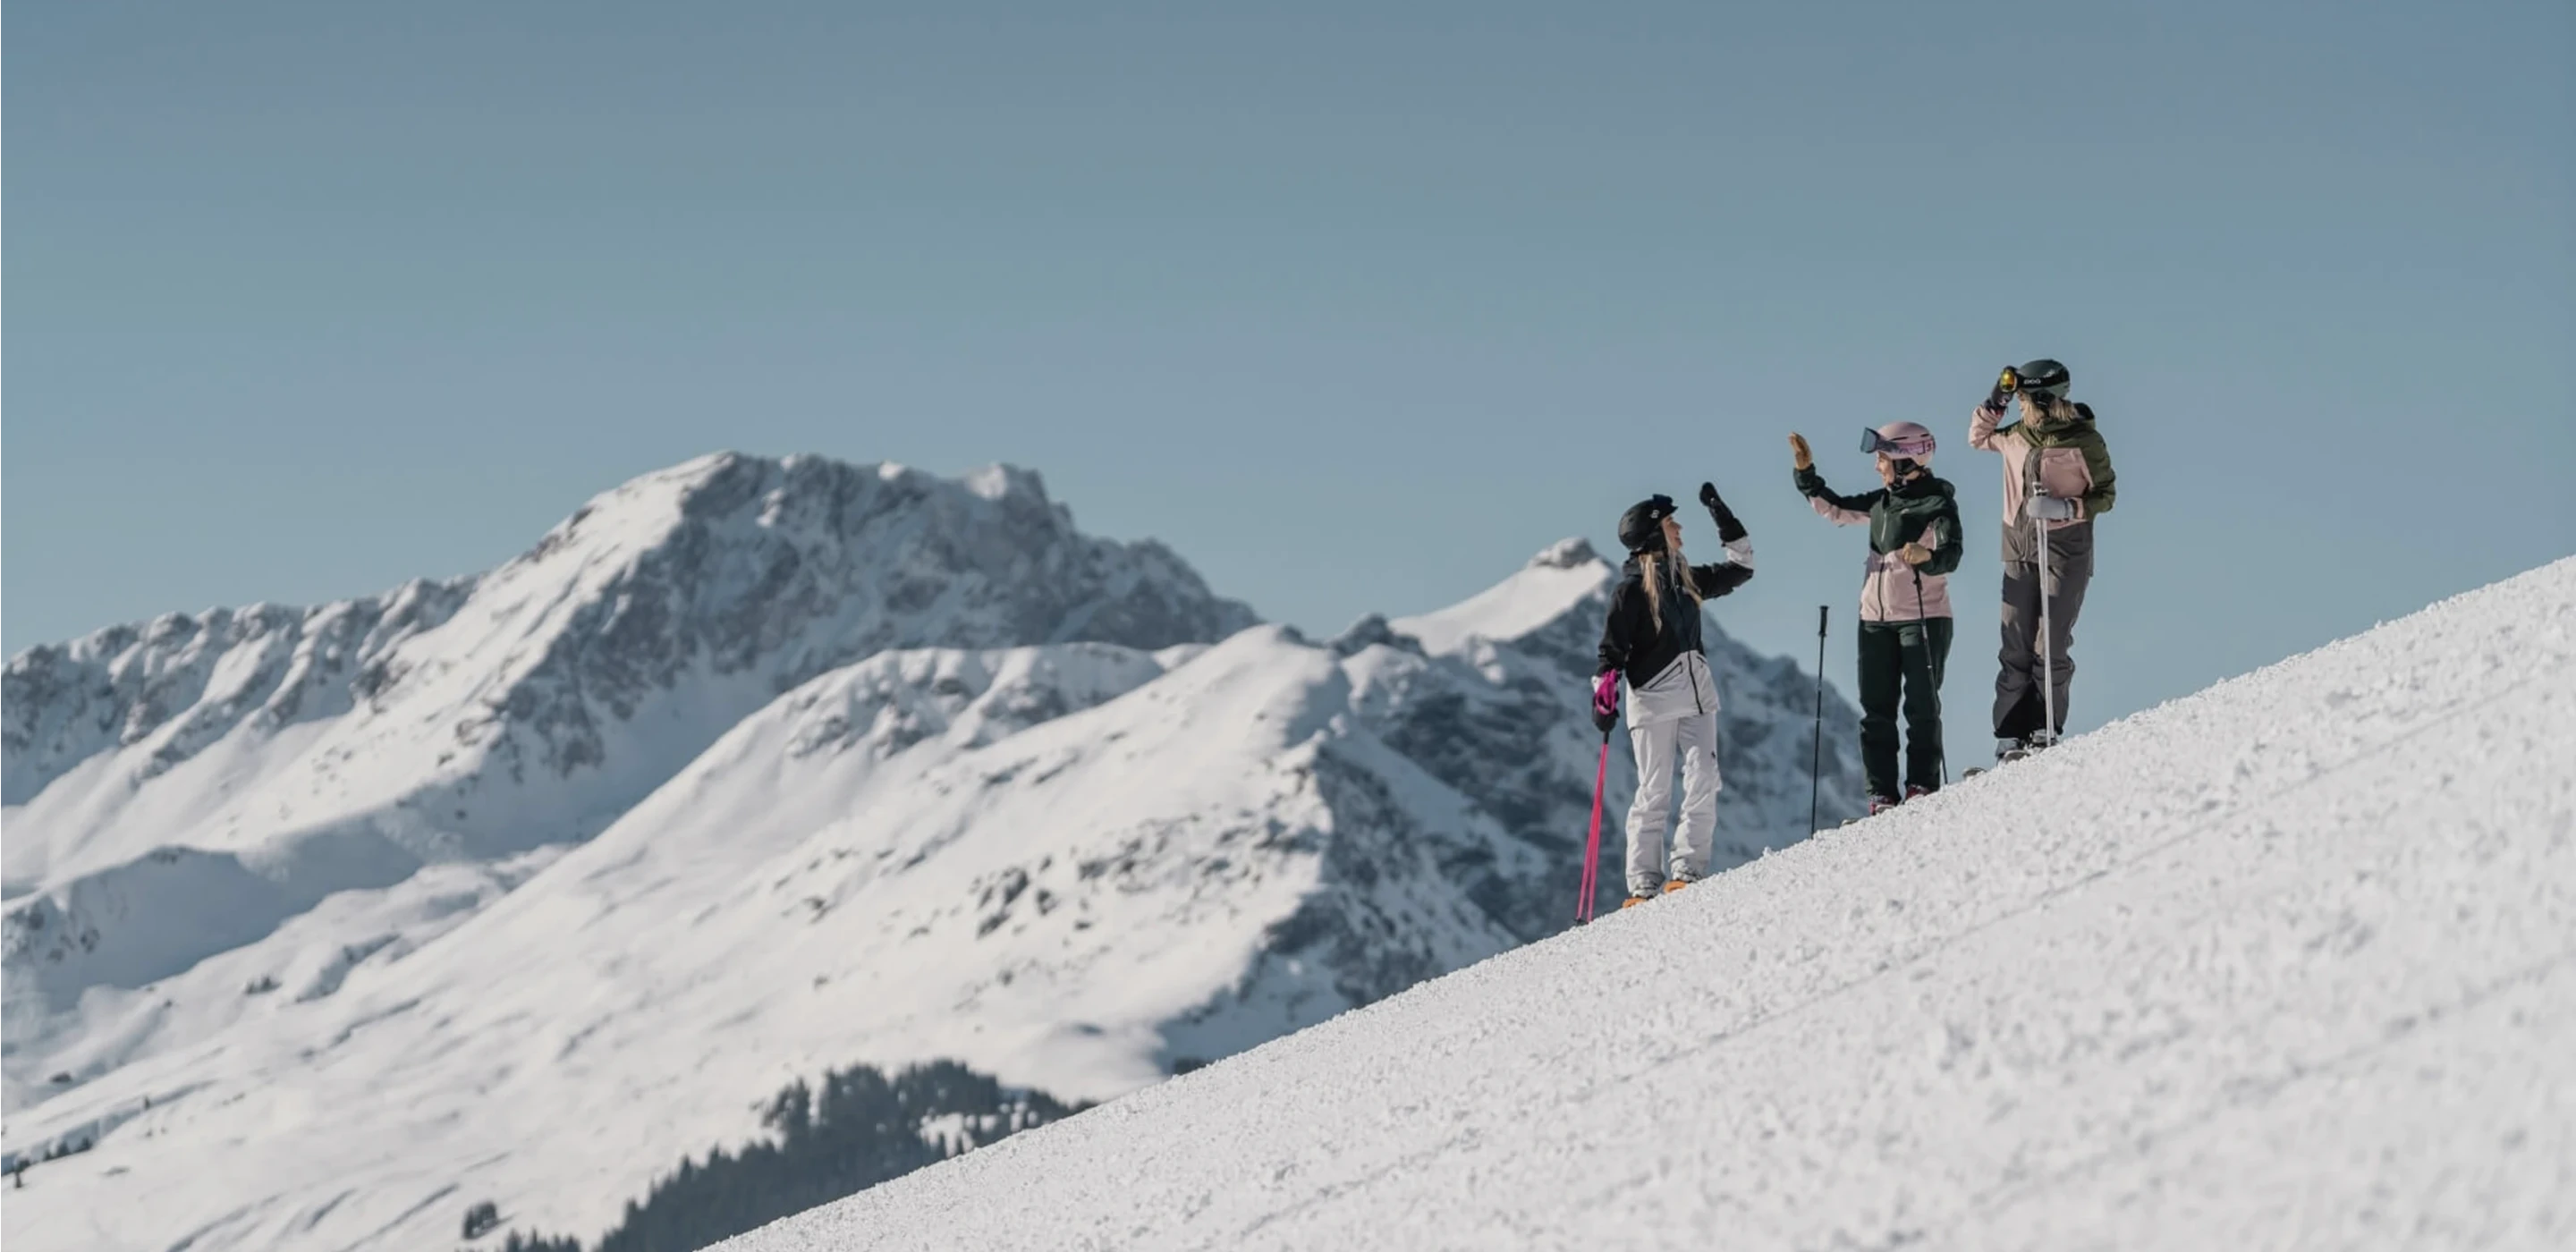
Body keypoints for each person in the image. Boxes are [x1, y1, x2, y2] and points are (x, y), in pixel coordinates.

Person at [1592, 483, 1755, 909]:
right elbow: (1611, 651)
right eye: (1670, 523)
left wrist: (1721, 512)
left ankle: (1687, 871)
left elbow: (1742, 566)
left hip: (1699, 696)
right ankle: (1643, 885)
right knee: (1655, 790)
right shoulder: (1629, 593)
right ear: (1653, 535)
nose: (1679, 528)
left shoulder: (1687, 580)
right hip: (1652, 701)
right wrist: (1604, 692)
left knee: (1704, 779)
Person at [1788, 422, 1963, 814]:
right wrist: (1806, 473)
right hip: (1874, 620)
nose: (1877, 467)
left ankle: (1922, 786)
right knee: (1876, 710)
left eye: (1882, 459)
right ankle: (1881, 796)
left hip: (1923, 616)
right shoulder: (1881, 503)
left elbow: (1953, 552)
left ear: (1906, 461)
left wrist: (1928, 559)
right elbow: (1834, 509)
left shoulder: (1937, 503)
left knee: (1921, 706)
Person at [1969, 358, 2116, 762]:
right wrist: (1995, 396)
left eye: (2020, 399)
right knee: (2015, 643)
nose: (2017, 407)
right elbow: (1978, 437)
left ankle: (2044, 728)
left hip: (2065, 551)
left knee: (2049, 643)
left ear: (2040, 399)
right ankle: (2009, 735)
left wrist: (2068, 509)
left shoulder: (2083, 440)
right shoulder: (2016, 435)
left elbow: (2106, 493)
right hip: (2019, 549)